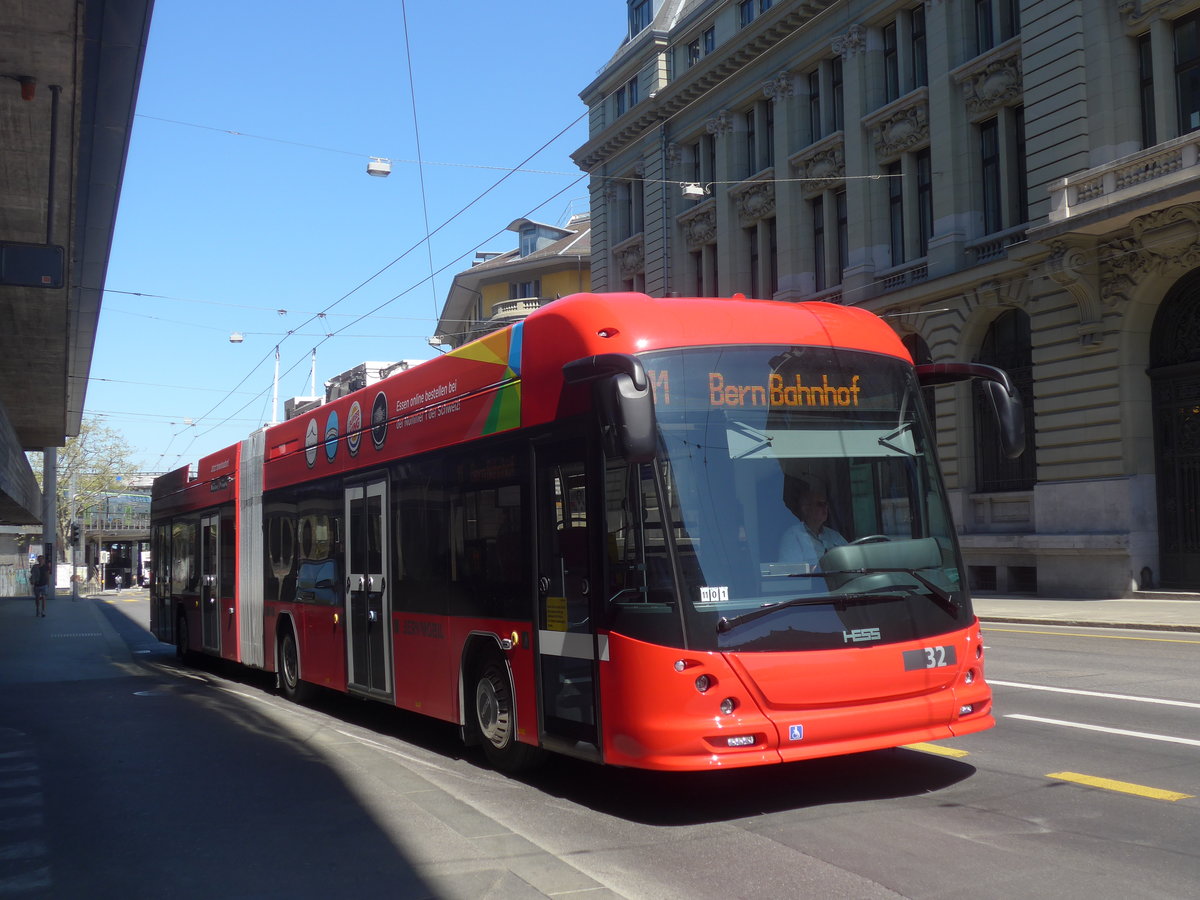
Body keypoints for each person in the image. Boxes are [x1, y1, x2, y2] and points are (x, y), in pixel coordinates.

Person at [777, 480, 847, 569]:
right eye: (820, 504)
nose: (825, 507)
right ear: (806, 509)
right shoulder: (793, 536)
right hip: (813, 578)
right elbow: (789, 570)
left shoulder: (834, 536)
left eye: (826, 504)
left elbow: (852, 559)